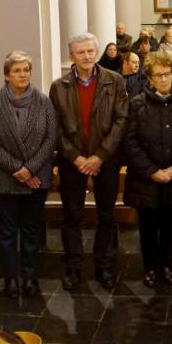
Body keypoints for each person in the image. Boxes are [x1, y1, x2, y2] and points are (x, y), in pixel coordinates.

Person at [51, 33, 131, 291]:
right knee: (71, 216)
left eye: (90, 51)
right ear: (70, 56)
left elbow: (121, 121)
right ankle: (74, 267)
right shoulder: (59, 86)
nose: (86, 56)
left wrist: (99, 156)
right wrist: (76, 157)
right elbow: (55, 128)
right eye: (81, 52)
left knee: (106, 215)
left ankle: (104, 265)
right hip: (72, 160)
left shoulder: (114, 81)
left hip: (105, 160)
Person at [0, 52, 60, 299]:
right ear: (6, 75)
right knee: (6, 233)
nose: (22, 75)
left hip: (35, 177)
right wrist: (18, 169)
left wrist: (30, 170)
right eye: (16, 71)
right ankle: (8, 278)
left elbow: (50, 139)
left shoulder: (44, 102)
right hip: (5, 178)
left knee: (31, 231)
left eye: (26, 70)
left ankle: (30, 277)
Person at [124, 51, 172, 288]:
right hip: (147, 179)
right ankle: (150, 267)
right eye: (158, 75)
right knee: (148, 226)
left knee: (170, 225)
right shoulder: (137, 104)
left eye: (167, 74)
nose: (164, 80)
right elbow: (130, 142)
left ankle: (167, 265)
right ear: (149, 78)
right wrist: (152, 170)